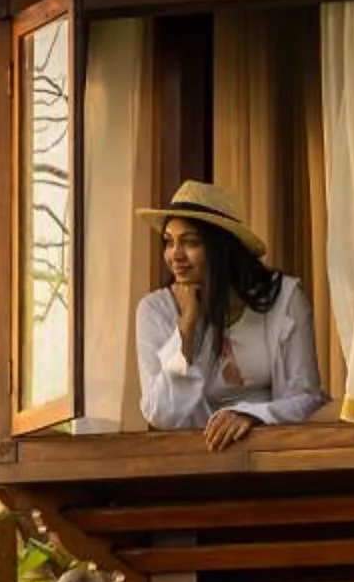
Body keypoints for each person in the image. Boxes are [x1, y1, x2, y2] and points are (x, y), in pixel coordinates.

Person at [133, 180, 326, 447]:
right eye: (168, 242)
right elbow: (161, 414)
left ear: (221, 248)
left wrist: (252, 416)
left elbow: (308, 398)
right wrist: (187, 326)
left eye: (190, 242)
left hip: (274, 452)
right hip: (196, 461)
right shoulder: (155, 310)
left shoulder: (285, 299)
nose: (174, 255)